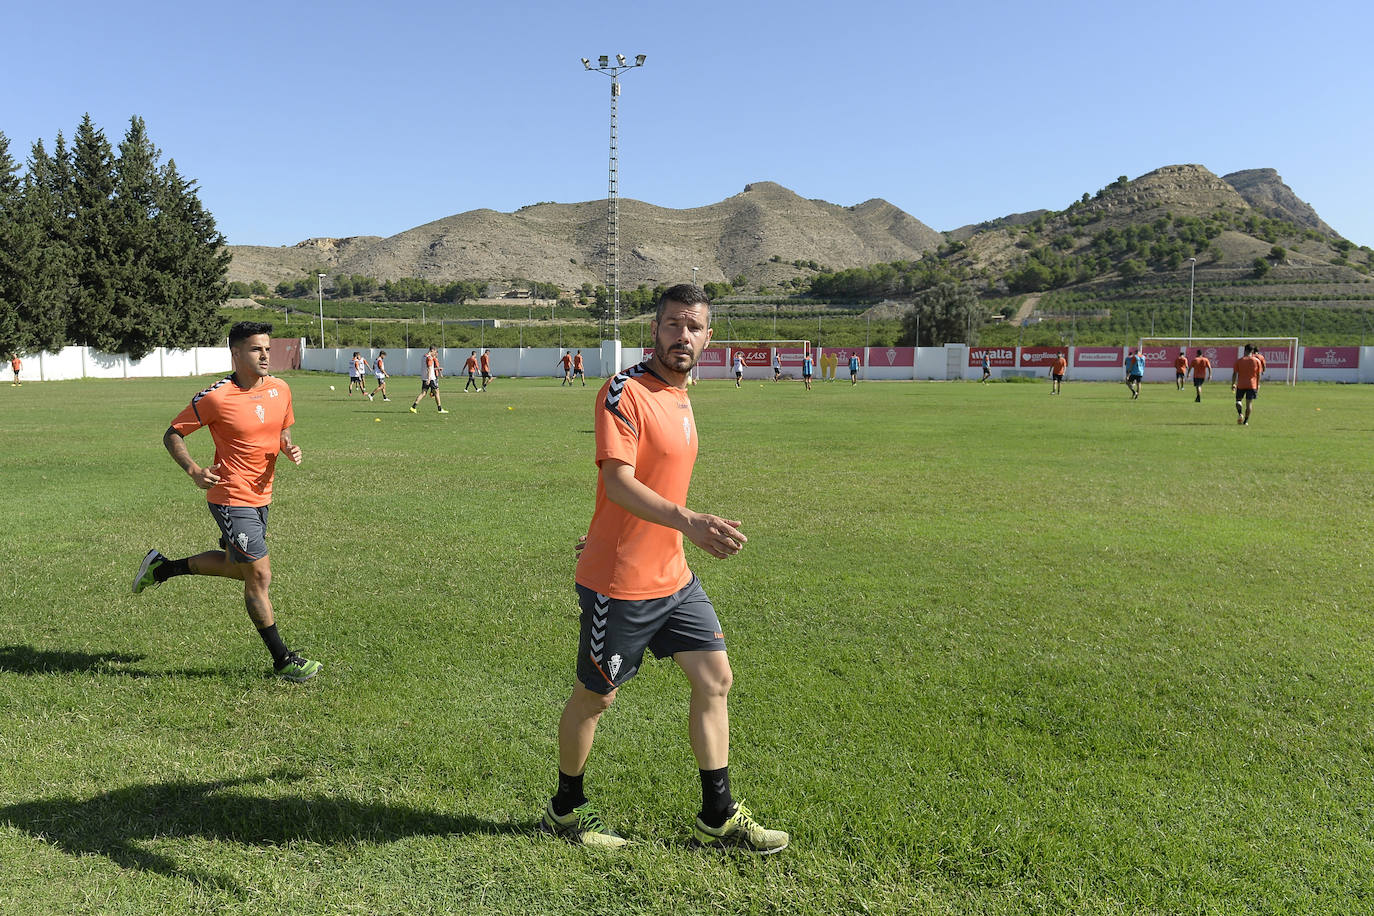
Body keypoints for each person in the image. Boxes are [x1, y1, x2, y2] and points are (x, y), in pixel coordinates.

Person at [543, 283, 787, 853]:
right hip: (621, 583)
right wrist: (687, 522)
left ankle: (718, 816)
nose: (684, 335)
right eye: (673, 324)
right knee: (595, 697)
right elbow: (618, 482)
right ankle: (566, 809)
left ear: (708, 336)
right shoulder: (624, 390)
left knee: (714, 679)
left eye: (694, 326)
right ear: (654, 329)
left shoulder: (682, 392)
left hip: (673, 577)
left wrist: (668, 530)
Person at [131, 321, 321, 683]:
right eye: (255, 349)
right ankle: (283, 660)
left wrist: (287, 445)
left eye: (267, 347)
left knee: (238, 568)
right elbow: (173, 433)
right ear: (235, 353)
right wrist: (193, 470)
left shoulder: (281, 388)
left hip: (263, 496)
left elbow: (282, 427)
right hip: (231, 497)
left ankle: (162, 569)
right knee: (259, 575)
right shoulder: (216, 396)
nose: (265, 354)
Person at [410, 346, 448, 414]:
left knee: (423, 393)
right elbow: (429, 368)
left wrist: (437, 369)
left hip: (424, 377)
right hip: (430, 378)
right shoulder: (429, 358)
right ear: (432, 350)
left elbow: (427, 368)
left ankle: (413, 407)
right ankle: (440, 409)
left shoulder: (423, 356)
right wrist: (429, 378)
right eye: (435, 352)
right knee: (437, 392)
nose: (435, 353)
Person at [1232, 344, 1262, 425]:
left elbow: (1235, 373)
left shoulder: (1239, 361)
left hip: (1241, 384)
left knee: (1238, 401)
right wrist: (1258, 385)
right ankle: (1245, 421)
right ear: (1252, 351)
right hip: (1252, 385)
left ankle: (1240, 414)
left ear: (1244, 350)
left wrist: (1233, 384)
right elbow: (1259, 375)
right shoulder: (1257, 361)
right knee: (1249, 404)